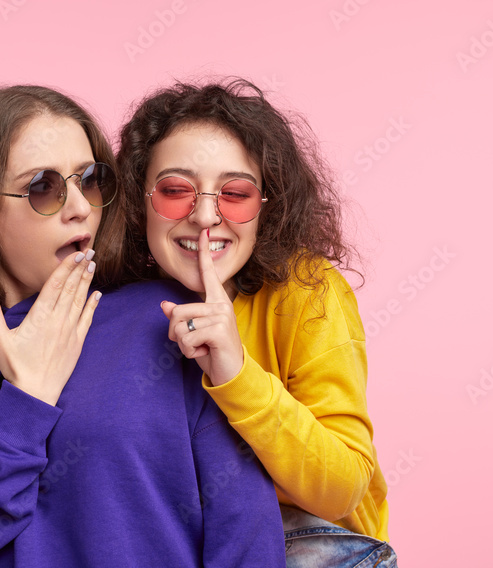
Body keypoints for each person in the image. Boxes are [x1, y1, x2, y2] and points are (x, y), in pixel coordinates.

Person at [0, 85, 285, 568]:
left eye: (90, 180)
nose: (80, 207)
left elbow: (247, 536)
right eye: (44, 188)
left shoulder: (166, 320)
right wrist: (24, 405)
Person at [114, 78, 397, 567]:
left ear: (269, 205)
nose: (205, 216)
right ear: (141, 202)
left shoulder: (306, 291)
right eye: (176, 189)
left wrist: (236, 373)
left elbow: (344, 487)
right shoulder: (123, 306)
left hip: (310, 547)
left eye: (235, 194)